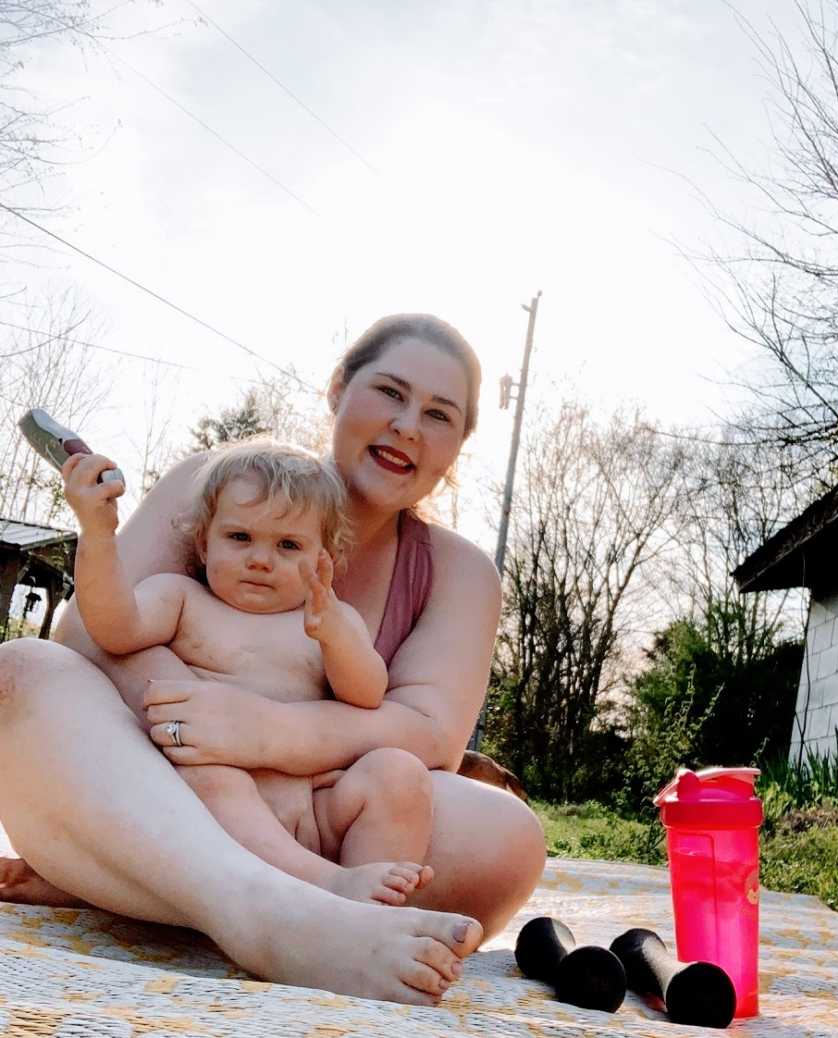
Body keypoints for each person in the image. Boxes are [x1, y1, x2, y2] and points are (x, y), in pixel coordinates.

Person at [0, 313, 547, 1006]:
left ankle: (138, 884)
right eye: (390, 393)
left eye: (439, 414)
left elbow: (430, 732)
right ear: (339, 390)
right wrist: (200, 722)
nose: (409, 425)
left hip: (318, 807)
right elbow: (89, 640)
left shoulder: (459, 572)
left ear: (455, 447)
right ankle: (266, 913)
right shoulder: (220, 480)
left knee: (509, 837)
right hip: (167, 779)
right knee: (22, 672)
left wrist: (268, 732)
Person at [63, 438, 436, 906]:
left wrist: (337, 639)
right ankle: (327, 887)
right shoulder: (180, 599)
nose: (260, 559)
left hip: (309, 806)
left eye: (288, 545)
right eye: (240, 538)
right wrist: (97, 536)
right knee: (209, 768)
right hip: (205, 808)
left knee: (397, 771)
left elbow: (367, 694)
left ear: (325, 558)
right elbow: (114, 627)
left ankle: (368, 911)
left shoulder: (328, 622)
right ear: (203, 542)